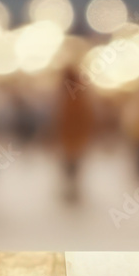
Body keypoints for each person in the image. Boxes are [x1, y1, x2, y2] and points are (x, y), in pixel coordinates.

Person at [54, 67, 96, 201]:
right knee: (71, 166)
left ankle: (72, 190)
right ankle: (71, 190)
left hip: (72, 138)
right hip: (72, 138)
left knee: (71, 166)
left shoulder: (71, 97)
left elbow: (79, 119)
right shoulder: (74, 96)